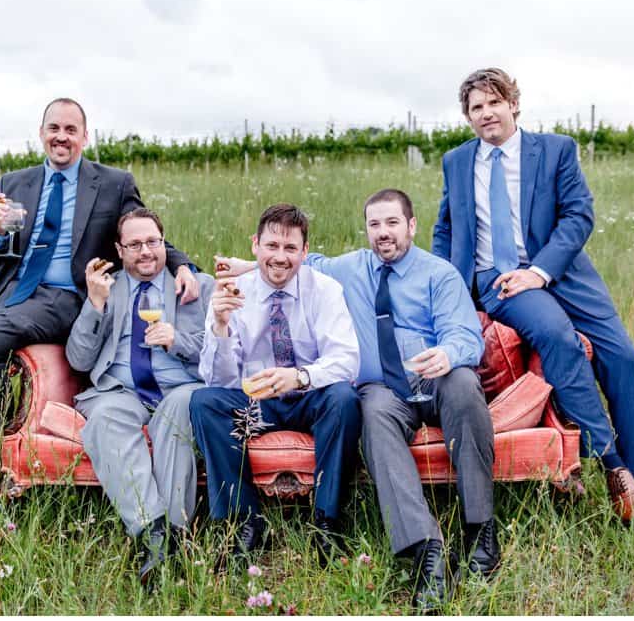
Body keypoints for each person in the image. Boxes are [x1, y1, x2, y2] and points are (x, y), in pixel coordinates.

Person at [0, 98, 200, 508]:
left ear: (85, 137)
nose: (62, 137)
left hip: (67, 297)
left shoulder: (112, 184)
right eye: (54, 128)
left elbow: (142, 233)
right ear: (42, 134)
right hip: (15, 294)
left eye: (71, 130)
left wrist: (183, 266)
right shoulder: (15, 182)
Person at [216, 190, 495, 612]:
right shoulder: (350, 268)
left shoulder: (439, 274)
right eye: (374, 225)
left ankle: (479, 529)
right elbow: (298, 261)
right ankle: (425, 550)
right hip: (383, 387)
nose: (383, 233)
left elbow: (466, 335)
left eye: (392, 223)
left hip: (436, 376)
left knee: (463, 386)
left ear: (411, 226)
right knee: (374, 412)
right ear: (366, 230)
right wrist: (247, 266)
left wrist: (448, 353)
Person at [432, 67, 634, 527]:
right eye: (475, 107)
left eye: (493, 102)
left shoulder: (556, 150)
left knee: (623, 358)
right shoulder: (457, 162)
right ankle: (613, 466)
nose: (485, 113)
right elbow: (446, 228)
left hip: (559, 272)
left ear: (513, 104)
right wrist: (445, 281)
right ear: (468, 117)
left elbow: (578, 215)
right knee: (558, 337)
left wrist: (539, 272)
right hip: (498, 280)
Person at [189, 204, 361, 566]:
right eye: (272, 246)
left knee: (344, 397)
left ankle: (326, 522)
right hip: (257, 404)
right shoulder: (233, 292)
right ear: (255, 245)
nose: (280, 258)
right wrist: (219, 326)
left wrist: (299, 376)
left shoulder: (325, 289)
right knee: (204, 402)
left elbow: (347, 359)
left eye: (290, 248)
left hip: (308, 398)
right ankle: (245, 521)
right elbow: (218, 379)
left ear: (304, 251)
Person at [66, 208, 214, 588]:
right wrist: (95, 305)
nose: (145, 251)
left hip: (179, 386)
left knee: (179, 409)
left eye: (152, 242)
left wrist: (177, 341)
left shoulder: (197, 286)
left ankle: (178, 529)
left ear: (164, 243)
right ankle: (153, 533)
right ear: (120, 249)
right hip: (121, 389)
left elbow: (224, 356)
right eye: (134, 245)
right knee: (104, 419)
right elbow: (79, 359)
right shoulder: (106, 288)